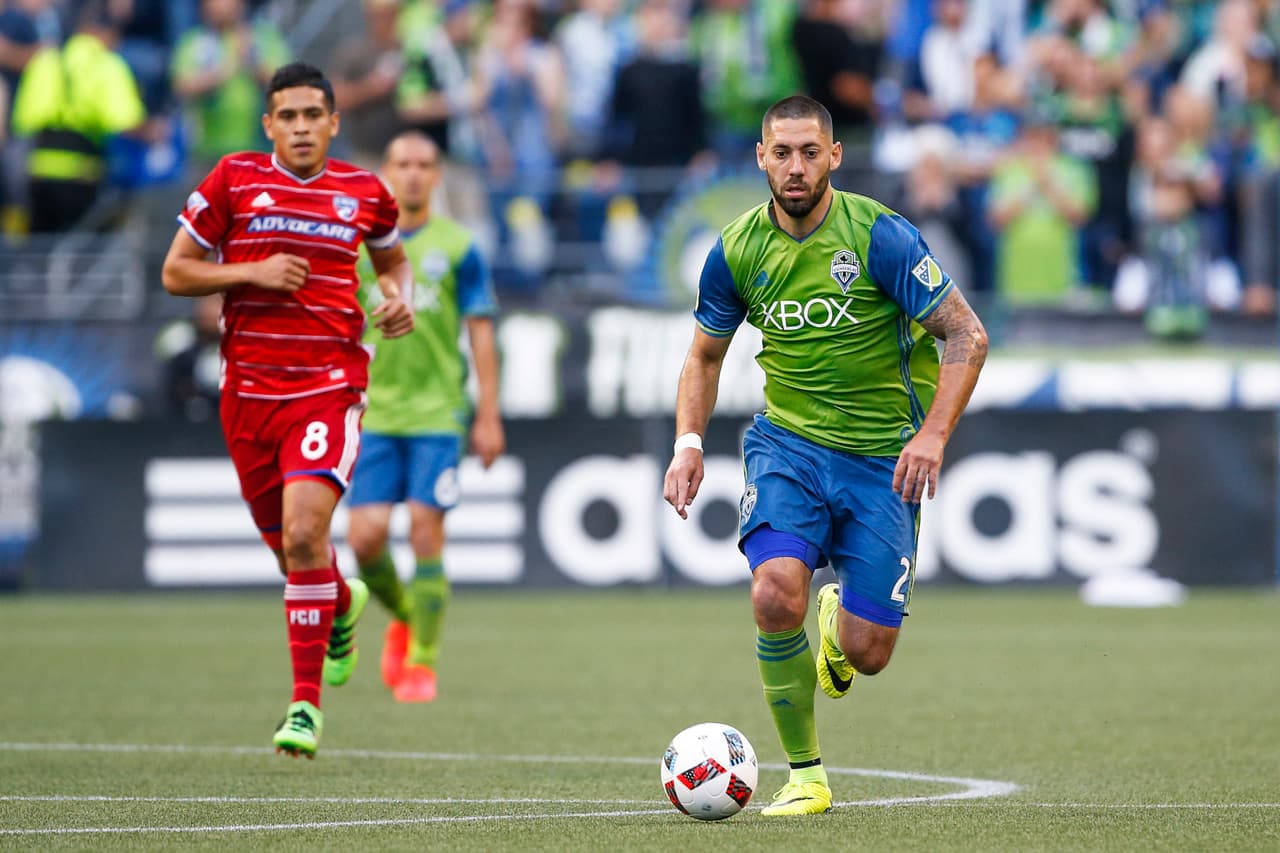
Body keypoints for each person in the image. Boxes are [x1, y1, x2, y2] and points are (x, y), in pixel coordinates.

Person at [662, 95, 988, 816]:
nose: (797, 166)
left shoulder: (882, 238)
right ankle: (805, 774)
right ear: (761, 157)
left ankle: (842, 621)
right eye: (783, 152)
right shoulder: (738, 249)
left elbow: (966, 335)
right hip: (789, 446)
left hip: (883, 460)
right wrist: (688, 443)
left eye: (810, 152)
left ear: (834, 156)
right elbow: (703, 357)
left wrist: (932, 434)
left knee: (869, 651)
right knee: (775, 589)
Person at [160, 62, 415, 759]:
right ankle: (337, 601)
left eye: (314, 115)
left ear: (334, 121)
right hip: (246, 395)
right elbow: (176, 270)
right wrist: (249, 270)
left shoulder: (365, 192)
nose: (301, 127)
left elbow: (393, 264)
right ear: (268, 124)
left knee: (306, 532)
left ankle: (304, 707)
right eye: (288, 116)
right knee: (291, 551)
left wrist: (402, 299)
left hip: (329, 387)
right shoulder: (234, 180)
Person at [339, 130, 503, 704]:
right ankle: (408, 614)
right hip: (374, 410)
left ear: (436, 176)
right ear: (384, 170)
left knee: (425, 532)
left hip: (438, 411)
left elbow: (481, 333)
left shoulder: (459, 246)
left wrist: (488, 414)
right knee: (364, 540)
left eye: (423, 164)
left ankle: (422, 663)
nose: (412, 173)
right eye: (401, 162)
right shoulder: (359, 247)